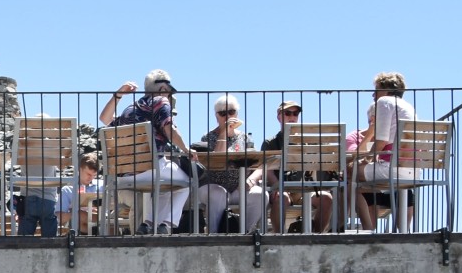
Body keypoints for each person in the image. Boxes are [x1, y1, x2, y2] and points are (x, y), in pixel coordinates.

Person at [98, 70, 194, 232]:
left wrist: (118, 95)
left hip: (124, 174)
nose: (169, 95)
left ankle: (148, 224)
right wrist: (186, 149)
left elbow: (104, 119)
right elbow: (169, 129)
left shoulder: (130, 109)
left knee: (165, 184)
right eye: (169, 92)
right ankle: (166, 224)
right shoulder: (160, 101)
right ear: (163, 89)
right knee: (186, 181)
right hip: (150, 170)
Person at [353, 71, 418, 230]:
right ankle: (403, 231)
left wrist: (366, 160)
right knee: (370, 178)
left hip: (393, 169)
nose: (373, 95)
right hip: (413, 170)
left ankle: (368, 230)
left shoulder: (384, 102)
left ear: (386, 90)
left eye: (376, 90)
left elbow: (381, 141)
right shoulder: (408, 106)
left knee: (352, 172)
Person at [257, 101, 334, 232]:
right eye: (287, 113)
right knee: (281, 197)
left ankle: (316, 236)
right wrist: (278, 186)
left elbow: (320, 160)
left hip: (305, 190)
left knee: (326, 198)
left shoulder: (307, 142)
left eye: (295, 113)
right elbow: (267, 171)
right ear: (279, 117)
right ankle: (279, 237)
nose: (292, 117)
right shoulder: (271, 143)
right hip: (281, 188)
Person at [189, 94, 258, 233]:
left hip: (240, 188)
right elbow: (216, 160)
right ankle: (214, 235)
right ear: (216, 116)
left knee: (260, 194)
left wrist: (251, 179)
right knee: (218, 193)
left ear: (237, 113)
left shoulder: (245, 138)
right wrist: (224, 133)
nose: (227, 116)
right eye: (222, 113)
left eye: (231, 112)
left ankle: (247, 233)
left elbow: (258, 163)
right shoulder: (208, 137)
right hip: (212, 186)